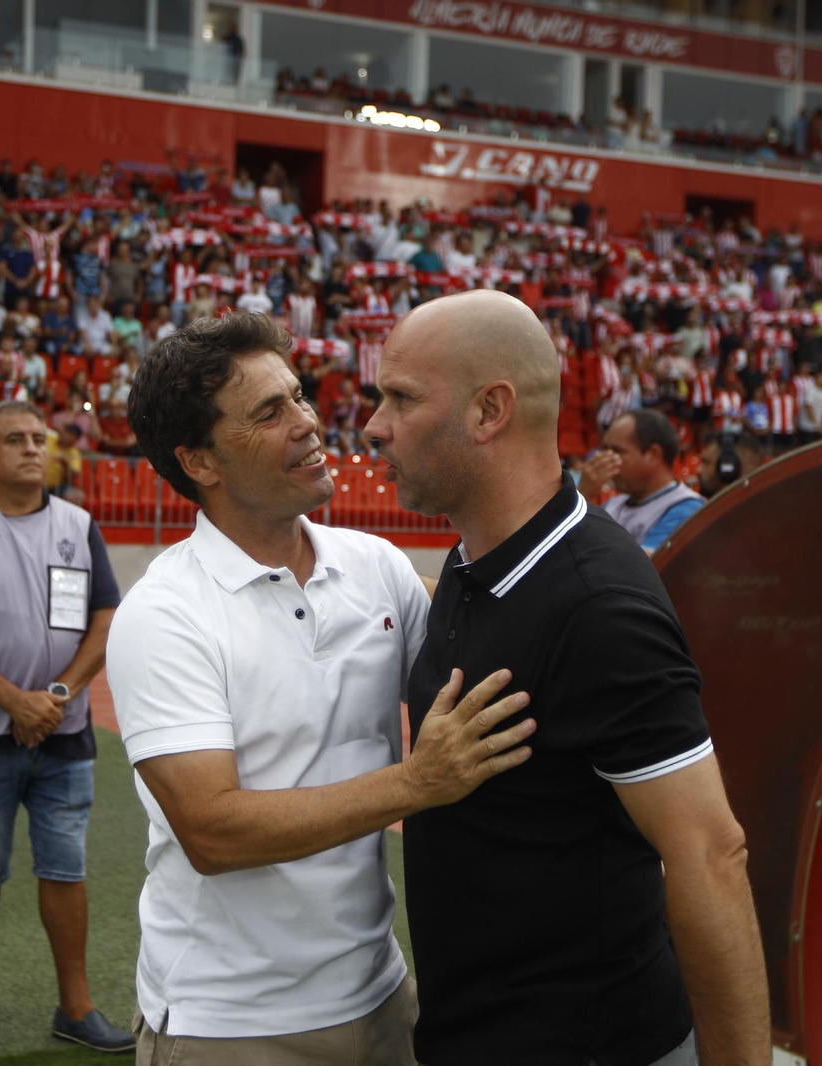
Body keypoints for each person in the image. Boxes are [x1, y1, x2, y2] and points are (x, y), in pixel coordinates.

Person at [107, 312, 531, 1065]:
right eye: (270, 413)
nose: (309, 423)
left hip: (381, 994)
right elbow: (212, 832)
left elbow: (489, 665)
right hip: (230, 1024)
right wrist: (417, 781)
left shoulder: (376, 566)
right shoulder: (164, 613)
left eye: (298, 397)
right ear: (198, 462)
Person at [363, 289, 768, 1066]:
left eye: (401, 398)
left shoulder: (598, 605)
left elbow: (711, 855)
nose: (376, 425)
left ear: (489, 412)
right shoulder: (473, 556)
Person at [0, 401, 132, 1052]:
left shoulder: (79, 525)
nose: (33, 449)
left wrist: (59, 694)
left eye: (40, 439)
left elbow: (103, 622)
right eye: (15, 440)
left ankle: (76, 1006)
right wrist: (16, 701)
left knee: (65, 868)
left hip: (64, 735)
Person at [578, 409, 706, 555]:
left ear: (653, 455)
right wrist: (581, 495)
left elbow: (642, 570)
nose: (607, 459)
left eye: (617, 451)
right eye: (606, 450)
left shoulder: (686, 508)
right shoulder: (614, 504)